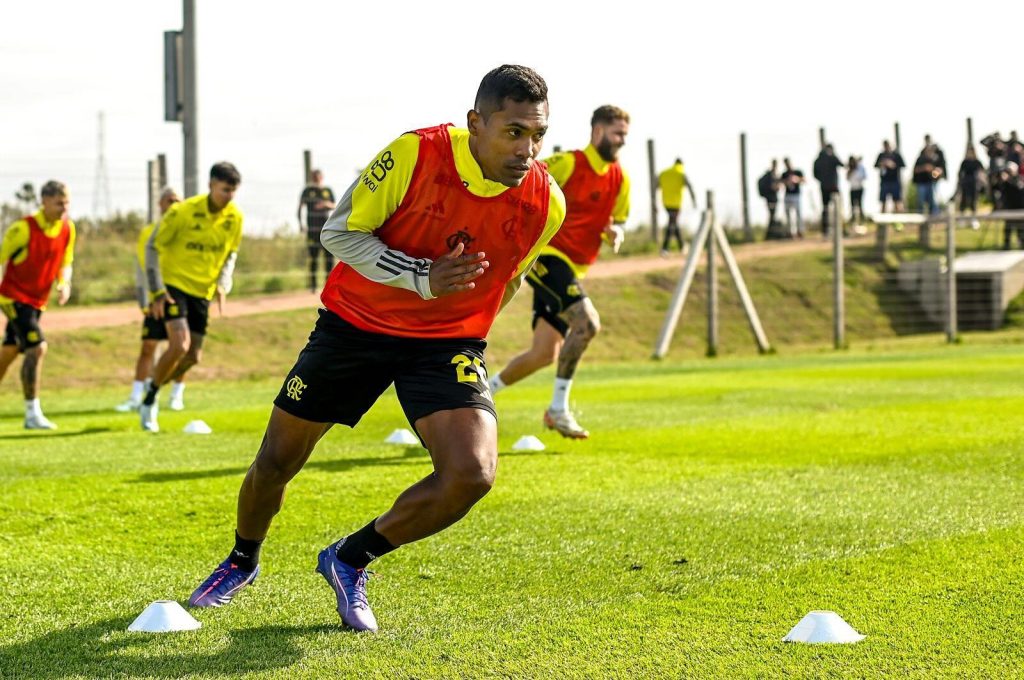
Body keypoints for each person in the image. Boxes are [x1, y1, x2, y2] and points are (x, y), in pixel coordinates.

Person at [186, 65, 565, 633]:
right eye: (514, 132)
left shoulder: (546, 203)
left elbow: (508, 279)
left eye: (538, 136)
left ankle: (349, 557)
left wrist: (463, 326)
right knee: (276, 462)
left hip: (445, 345)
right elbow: (337, 233)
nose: (527, 150)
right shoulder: (414, 155)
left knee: (473, 472)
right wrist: (420, 276)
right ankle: (242, 559)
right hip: (355, 326)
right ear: (476, 124)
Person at [487, 104, 630, 439]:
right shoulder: (568, 163)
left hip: (573, 268)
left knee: (543, 354)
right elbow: (523, 181)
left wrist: (616, 232)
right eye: (617, 133)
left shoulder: (621, 179)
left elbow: (618, 219)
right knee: (587, 323)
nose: (622, 140)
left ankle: (482, 395)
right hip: (547, 256)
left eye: (625, 134)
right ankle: (558, 409)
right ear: (598, 131)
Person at [139, 162, 244, 432]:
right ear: (210, 185)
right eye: (224, 190)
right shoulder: (182, 212)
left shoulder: (235, 219)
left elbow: (230, 254)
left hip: (202, 292)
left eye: (233, 191)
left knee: (192, 357)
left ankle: (152, 387)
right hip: (174, 287)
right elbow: (152, 247)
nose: (229, 196)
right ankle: (149, 401)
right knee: (180, 345)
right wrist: (157, 290)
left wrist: (223, 283)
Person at [0, 180, 76, 430]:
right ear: (44, 201)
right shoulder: (23, 228)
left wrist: (64, 283)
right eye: (58, 203)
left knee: (10, 350)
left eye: (66, 202)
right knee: (37, 347)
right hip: (12, 297)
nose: (64, 208)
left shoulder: (67, 229)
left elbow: (66, 260)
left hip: (37, 301)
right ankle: (32, 413)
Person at [115, 187, 188, 413]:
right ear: (160, 204)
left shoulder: (185, 231)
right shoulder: (147, 232)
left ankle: (176, 395)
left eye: (177, 200)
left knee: (181, 347)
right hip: (156, 297)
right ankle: (136, 396)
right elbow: (142, 265)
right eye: (169, 200)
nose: (173, 204)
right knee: (148, 347)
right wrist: (143, 296)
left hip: (178, 296)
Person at [297, 169, 337, 292]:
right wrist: (301, 225)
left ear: (322, 177)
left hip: (327, 230)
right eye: (314, 177)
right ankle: (313, 287)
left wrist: (325, 204)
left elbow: (335, 205)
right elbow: (299, 208)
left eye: (318, 176)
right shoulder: (307, 191)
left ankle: (329, 285)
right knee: (313, 258)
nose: (316, 179)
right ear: (312, 178)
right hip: (312, 230)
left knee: (329, 259)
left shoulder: (327, 190)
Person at [657, 158, 696, 255]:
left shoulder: (664, 173)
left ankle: (682, 246)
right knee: (672, 224)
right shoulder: (681, 173)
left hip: (666, 203)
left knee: (674, 223)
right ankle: (664, 249)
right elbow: (690, 186)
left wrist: (654, 201)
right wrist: (694, 200)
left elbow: (656, 185)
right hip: (676, 204)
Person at [813, 144, 844, 237]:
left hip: (824, 187)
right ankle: (839, 228)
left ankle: (825, 230)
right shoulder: (832, 158)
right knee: (837, 208)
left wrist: (822, 180)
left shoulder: (817, 160)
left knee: (825, 208)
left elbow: (815, 175)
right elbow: (842, 164)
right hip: (833, 187)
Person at [956, 146, 984, 228]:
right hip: (965, 183)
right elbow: (960, 173)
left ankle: (974, 220)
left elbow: (982, 171)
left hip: (974, 184)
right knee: (964, 201)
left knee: (974, 201)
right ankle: (962, 219)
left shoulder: (977, 162)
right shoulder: (964, 162)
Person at [874, 140, 906, 213]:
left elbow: (903, 165)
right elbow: (875, 165)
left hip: (894, 181)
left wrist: (892, 165)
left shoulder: (896, 155)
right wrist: (882, 164)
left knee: (897, 201)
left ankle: (900, 221)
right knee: (883, 201)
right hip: (884, 181)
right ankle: (882, 222)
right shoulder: (881, 155)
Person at [913, 144, 943, 215]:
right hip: (921, 183)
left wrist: (934, 171)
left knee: (933, 202)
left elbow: (939, 171)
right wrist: (924, 168)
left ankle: (933, 220)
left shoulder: (935, 159)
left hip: (932, 183)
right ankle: (920, 218)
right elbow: (915, 170)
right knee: (920, 202)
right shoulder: (920, 159)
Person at [780, 157, 805, 238]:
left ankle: (800, 231)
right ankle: (789, 232)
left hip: (796, 195)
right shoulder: (784, 174)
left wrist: (797, 180)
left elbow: (804, 180)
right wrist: (786, 182)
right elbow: (781, 182)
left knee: (798, 213)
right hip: (788, 195)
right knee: (788, 214)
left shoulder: (797, 172)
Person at [757, 160, 782, 239]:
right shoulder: (771, 175)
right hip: (771, 199)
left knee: (772, 216)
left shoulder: (771, 174)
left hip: (771, 198)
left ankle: (771, 234)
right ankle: (769, 235)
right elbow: (773, 187)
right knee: (772, 216)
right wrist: (777, 187)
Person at [846, 155, 867, 226]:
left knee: (860, 205)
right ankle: (853, 221)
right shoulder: (850, 170)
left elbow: (864, 177)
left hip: (859, 188)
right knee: (852, 205)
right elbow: (847, 178)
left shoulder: (860, 168)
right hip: (852, 189)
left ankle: (862, 220)